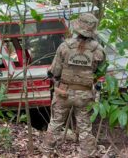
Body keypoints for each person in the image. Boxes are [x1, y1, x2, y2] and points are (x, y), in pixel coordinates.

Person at [41, 13, 106, 158]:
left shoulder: (64, 46)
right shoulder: (98, 50)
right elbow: (100, 73)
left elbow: (55, 71)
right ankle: (86, 155)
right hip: (84, 95)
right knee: (84, 128)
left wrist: (55, 77)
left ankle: (46, 154)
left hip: (63, 92)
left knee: (56, 124)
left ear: (77, 28)